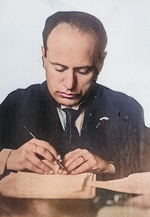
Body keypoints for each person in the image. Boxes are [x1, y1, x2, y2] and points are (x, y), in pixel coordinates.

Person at [0, 11, 148, 180]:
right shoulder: (16, 105)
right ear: (44, 56)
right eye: (59, 68)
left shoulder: (126, 109)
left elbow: (144, 158)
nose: (70, 84)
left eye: (83, 71)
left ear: (100, 63)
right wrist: (8, 158)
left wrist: (110, 167)